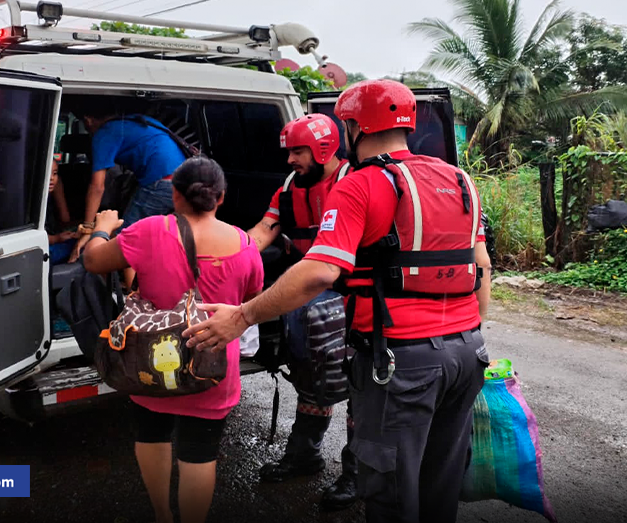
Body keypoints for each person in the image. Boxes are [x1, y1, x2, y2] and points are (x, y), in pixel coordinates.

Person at [183, 79, 493, 523]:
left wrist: (243, 316)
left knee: (389, 492)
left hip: (400, 359)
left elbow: (321, 270)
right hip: (467, 353)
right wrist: (468, 332)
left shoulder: (361, 184)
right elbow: (480, 263)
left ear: (350, 127)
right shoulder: (460, 179)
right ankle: (306, 452)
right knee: (437, 484)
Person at [83, 156, 264, 523]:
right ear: (221, 197)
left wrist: (101, 228)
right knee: (200, 452)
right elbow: (249, 297)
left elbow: (93, 261)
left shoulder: (149, 231)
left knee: (152, 434)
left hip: (150, 364)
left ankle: (162, 514)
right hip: (211, 366)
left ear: (175, 195)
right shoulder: (246, 245)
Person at [245, 114, 357, 511]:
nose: (290, 159)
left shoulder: (355, 182)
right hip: (303, 300)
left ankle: (356, 472)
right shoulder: (290, 187)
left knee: (359, 389)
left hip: (348, 302)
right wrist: (224, 257)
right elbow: (264, 230)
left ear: (324, 148)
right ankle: (304, 454)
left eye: (298, 151)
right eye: (289, 150)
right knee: (310, 381)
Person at [70, 106, 188, 269]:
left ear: (88, 120)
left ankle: (123, 289)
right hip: (185, 180)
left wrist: (89, 228)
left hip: (161, 183)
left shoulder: (104, 134)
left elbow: (97, 186)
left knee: (125, 240)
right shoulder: (136, 120)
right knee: (156, 234)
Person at [46, 159, 78, 265]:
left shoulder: (52, 192)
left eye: (55, 173)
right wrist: (56, 239)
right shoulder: (27, 201)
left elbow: (65, 219)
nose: (51, 178)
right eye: (46, 172)